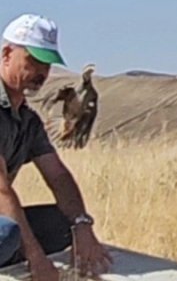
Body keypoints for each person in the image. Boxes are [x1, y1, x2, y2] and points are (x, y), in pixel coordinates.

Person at [0, 14, 111, 281]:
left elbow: (58, 175)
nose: (41, 73)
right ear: (6, 54)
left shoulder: (27, 120)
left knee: (64, 223)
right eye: (33, 61)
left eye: (47, 65)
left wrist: (82, 226)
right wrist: (36, 258)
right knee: (7, 234)